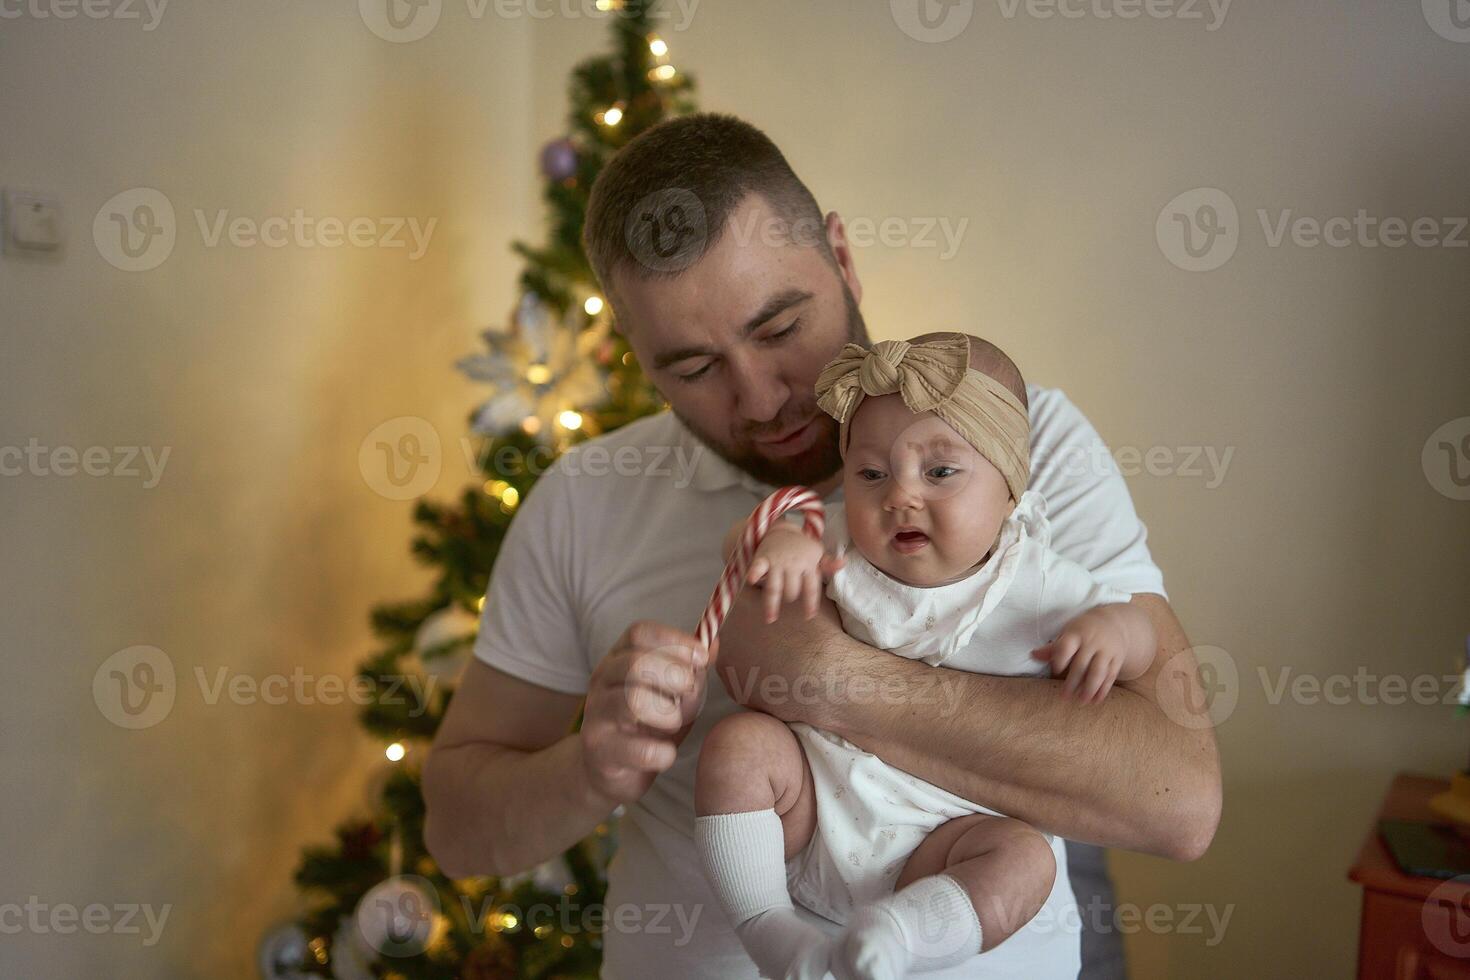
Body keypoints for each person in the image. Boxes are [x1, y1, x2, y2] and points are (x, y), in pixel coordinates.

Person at [423, 113, 1222, 980]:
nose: (761, 398)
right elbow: (458, 831)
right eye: (693, 369)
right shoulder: (583, 502)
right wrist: (590, 768)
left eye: (778, 330)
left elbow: (1179, 803)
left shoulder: (1015, 442)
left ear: (841, 255)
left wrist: (825, 679)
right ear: (637, 358)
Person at [694, 333, 1157, 980]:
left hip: (945, 842)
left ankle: (899, 938)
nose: (900, 496)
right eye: (872, 473)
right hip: (814, 812)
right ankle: (769, 930)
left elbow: (1141, 636)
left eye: (940, 473)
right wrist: (778, 546)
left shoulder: (1040, 582)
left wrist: (1115, 633)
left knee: (1026, 859)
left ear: (1010, 491)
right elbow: (746, 537)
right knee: (737, 746)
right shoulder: (836, 543)